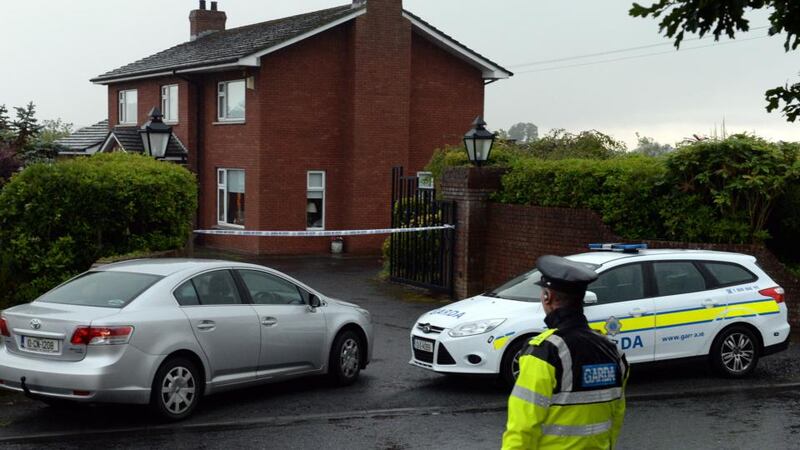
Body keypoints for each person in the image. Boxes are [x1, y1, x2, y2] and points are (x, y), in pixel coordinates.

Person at [502, 255, 629, 450]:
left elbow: (523, 426)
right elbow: (616, 416)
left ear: (547, 297)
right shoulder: (613, 351)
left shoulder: (544, 351)